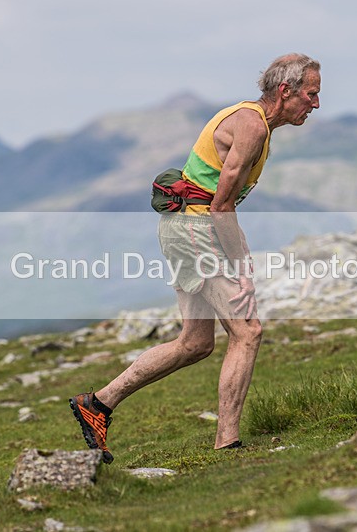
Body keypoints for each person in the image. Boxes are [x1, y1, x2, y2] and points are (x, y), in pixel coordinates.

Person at [69, 53, 321, 464]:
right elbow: (221, 206)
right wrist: (242, 271)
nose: (316, 104)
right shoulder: (252, 125)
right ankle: (227, 443)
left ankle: (97, 404)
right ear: (285, 91)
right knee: (248, 331)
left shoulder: (252, 121)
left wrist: (241, 256)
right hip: (195, 230)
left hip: (186, 226)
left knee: (195, 343)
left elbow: (222, 203)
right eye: (311, 94)